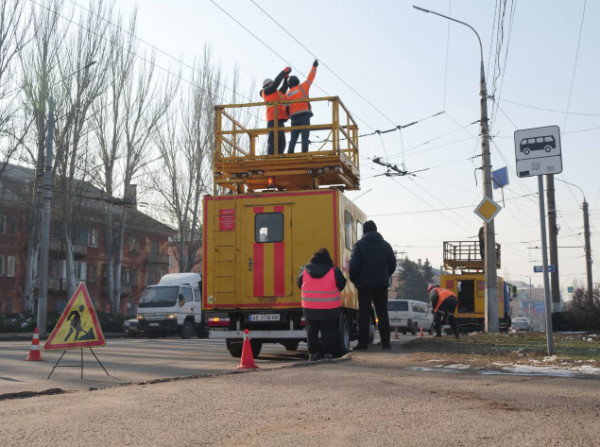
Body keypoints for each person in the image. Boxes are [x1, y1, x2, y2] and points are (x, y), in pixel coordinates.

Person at [349, 220, 396, 351]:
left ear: (364, 231)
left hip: (364, 285)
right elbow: (392, 265)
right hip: (381, 284)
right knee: (382, 313)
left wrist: (354, 279)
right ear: (376, 230)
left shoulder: (359, 245)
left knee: (364, 314)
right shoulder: (386, 246)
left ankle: (363, 343)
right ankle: (386, 343)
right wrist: (384, 275)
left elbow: (354, 266)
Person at [297, 248, 346, 361]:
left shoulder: (305, 269)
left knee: (311, 331)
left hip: (310, 308)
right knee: (327, 331)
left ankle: (312, 354)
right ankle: (328, 353)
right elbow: (342, 285)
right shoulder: (334, 270)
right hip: (329, 308)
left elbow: (299, 283)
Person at [285, 60, 318, 153]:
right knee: (305, 136)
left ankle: (290, 153)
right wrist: (314, 66)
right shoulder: (303, 87)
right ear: (297, 82)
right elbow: (310, 78)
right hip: (304, 115)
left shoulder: (287, 94)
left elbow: (285, 107)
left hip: (294, 117)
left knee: (293, 138)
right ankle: (304, 153)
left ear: (289, 85)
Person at [261, 67, 291, 155]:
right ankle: (271, 157)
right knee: (273, 141)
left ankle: (280, 157)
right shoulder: (266, 91)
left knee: (281, 142)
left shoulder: (277, 92)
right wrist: (283, 72)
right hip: (272, 119)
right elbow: (276, 84)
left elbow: (284, 87)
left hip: (280, 119)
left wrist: (286, 78)